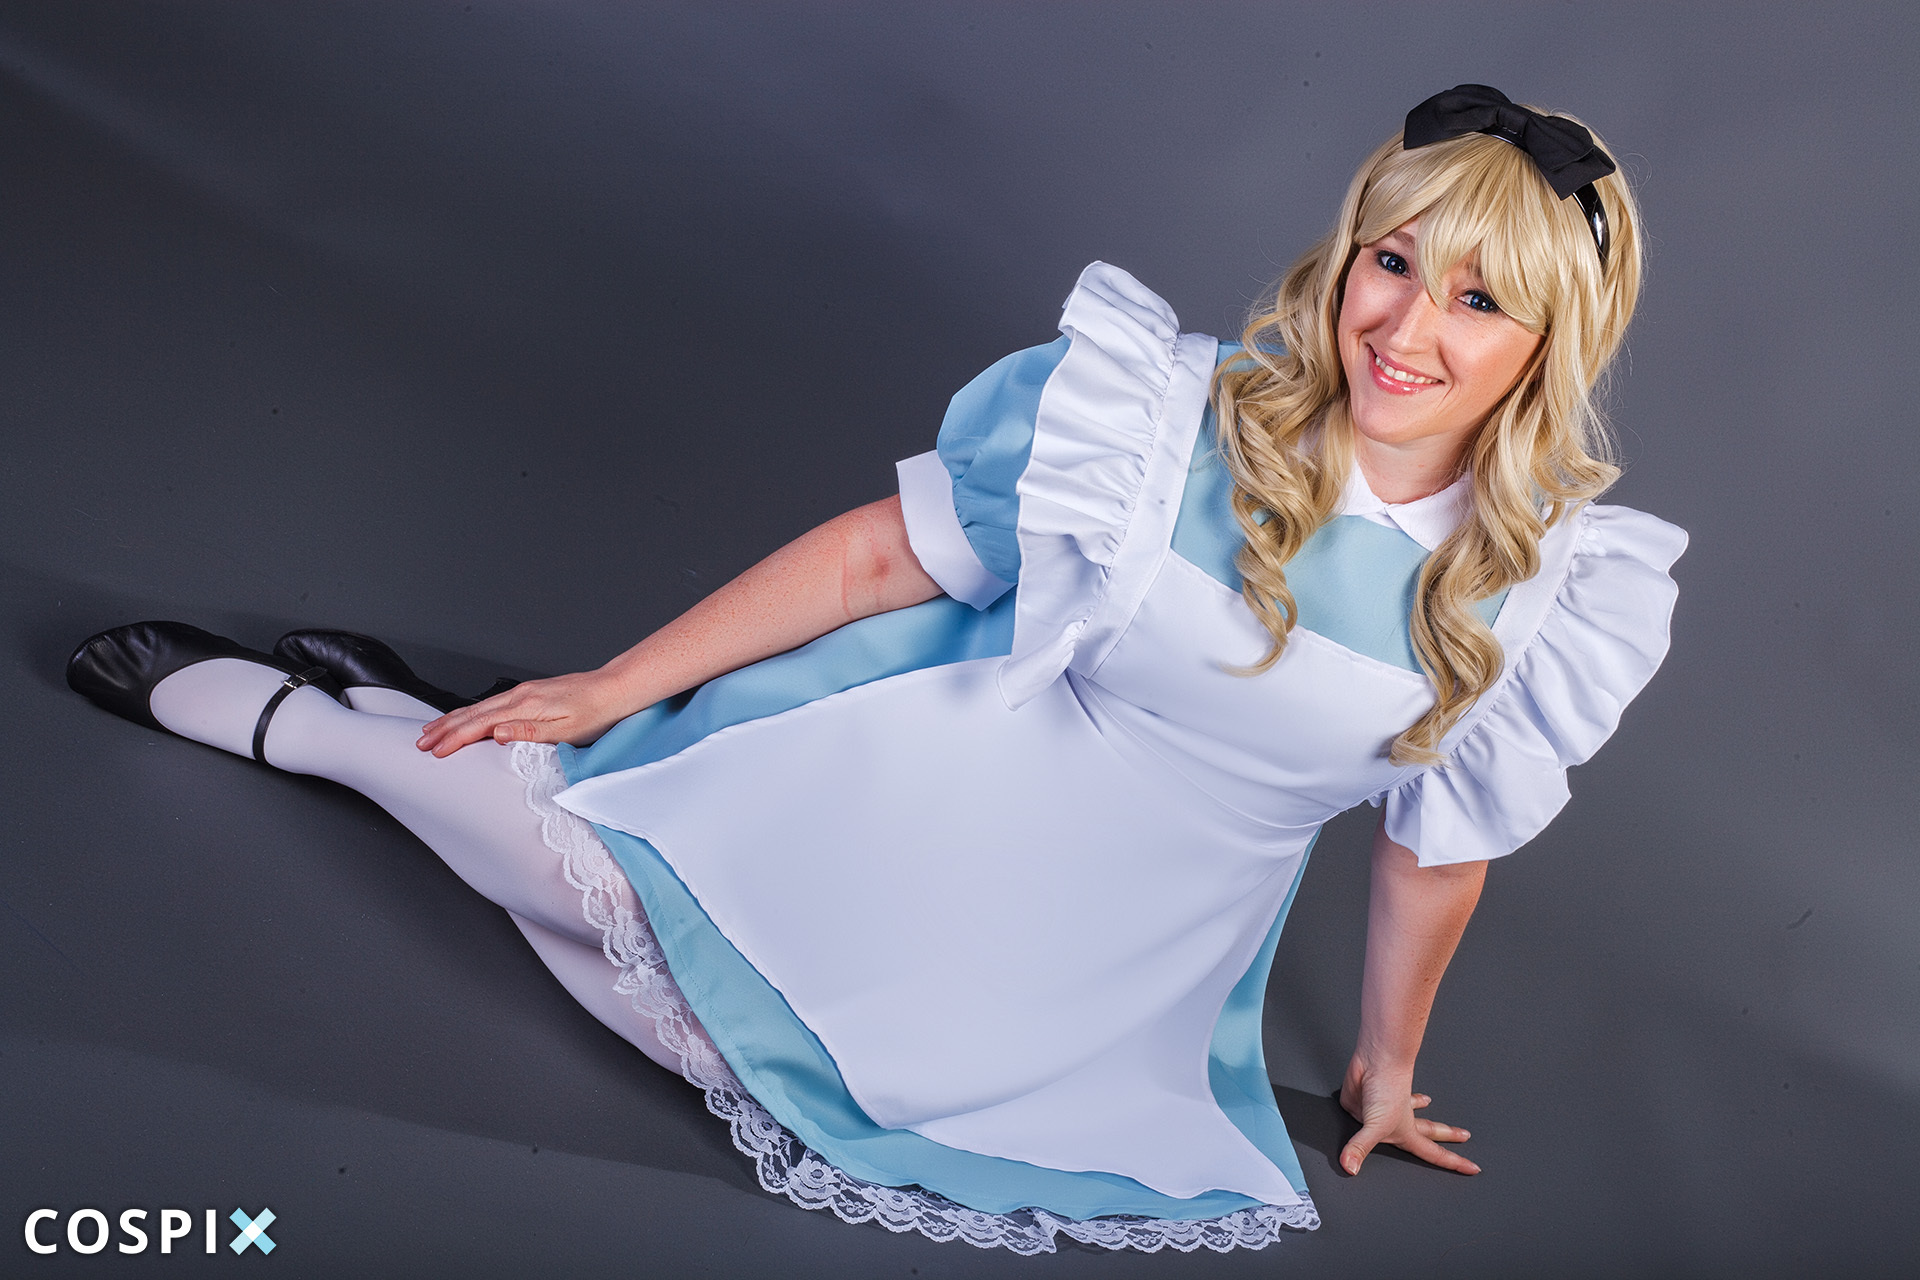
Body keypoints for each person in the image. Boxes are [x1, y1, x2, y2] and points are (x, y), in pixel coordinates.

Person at [66, 86, 1685, 1255]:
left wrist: (1387, 1073)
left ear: (1547, 346)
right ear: (1346, 258)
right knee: (562, 865)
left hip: (1109, 963)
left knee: (732, 1051)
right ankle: (320, 730)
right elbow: (873, 560)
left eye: (1479, 300)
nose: (1407, 327)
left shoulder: (1547, 593)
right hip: (914, 781)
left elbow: (1433, 855)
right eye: (1393, 263)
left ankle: (401, 713)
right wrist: (610, 685)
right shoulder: (1169, 422)